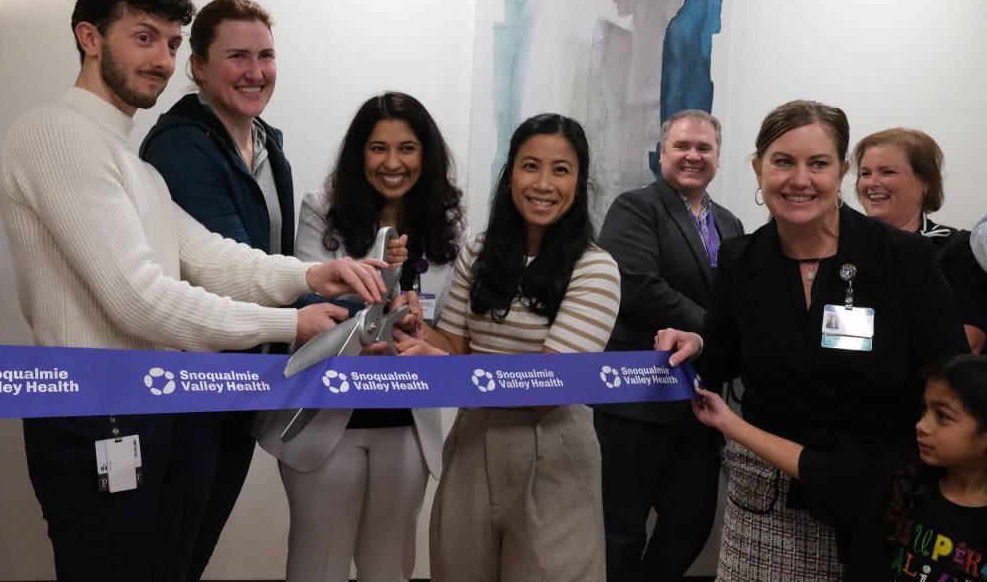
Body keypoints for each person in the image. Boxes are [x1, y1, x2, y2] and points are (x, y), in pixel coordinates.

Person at [0, 0, 393, 581]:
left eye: (172, 42)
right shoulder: (58, 134)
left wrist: (316, 276)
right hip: (97, 416)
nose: (162, 59)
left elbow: (210, 256)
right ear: (90, 38)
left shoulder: (129, 161)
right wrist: (289, 323)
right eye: (144, 37)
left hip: (139, 413)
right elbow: (139, 300)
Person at [657, 100, 969, 581]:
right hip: (769, 498)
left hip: (885, 498)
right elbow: (722, 360)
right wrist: (695, 343)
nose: (800, 180)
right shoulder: (742, 260)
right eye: (783, 161)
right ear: (758, 168)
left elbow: (953, 374)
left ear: (841, 171)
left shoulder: (901, 257)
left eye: (818, 164)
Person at [140, 0, 354, 579]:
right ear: (198, 67)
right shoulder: (180, 147)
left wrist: (359, 307)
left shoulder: (267, 143)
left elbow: (278, 264)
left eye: (265, 55)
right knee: (170, 552)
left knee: (194, 547)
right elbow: (233, 268)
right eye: (237, 56)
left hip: (247, 375)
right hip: (193, 385)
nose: (255, 72)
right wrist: (339, 309)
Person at [395, 113, 622, 582]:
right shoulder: (479, 251)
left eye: (561, 170)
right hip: (472, 439)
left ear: (579, 184)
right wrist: (413, 328)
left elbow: (548, 386)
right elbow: (453, 345)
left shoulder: (596, 267)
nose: (543, 184)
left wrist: (443, 368)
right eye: (530, 166)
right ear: (510, 175)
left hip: (554, 445)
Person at [253, 91, 464, 582]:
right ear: (359, 153)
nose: (393, 163)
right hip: (328, 418)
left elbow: (447, 338)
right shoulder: (321, 210)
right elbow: (307, 305)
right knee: (317, 565)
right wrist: (378, 288)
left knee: (389, 567)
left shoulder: (447, 227)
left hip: (406, 422)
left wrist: (414, 325)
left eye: (407, 148)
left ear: (426, 155)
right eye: (378, 148)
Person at [595, 109, 743, 581]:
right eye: (682, 146)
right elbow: (639, 288)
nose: (692, 155)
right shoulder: (635, 208)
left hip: (699, 404)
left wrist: (728, 333)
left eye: (704, 147)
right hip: (636, 402)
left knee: (691, 523)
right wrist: (717, 330)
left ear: (718, 157)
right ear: (662, 154)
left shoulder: (731, 223)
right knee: (621, 533)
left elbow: (740, 300)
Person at [691, 354, 987, 581]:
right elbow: (810, 466)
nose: (922, 425)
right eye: (924, 411)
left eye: (943, 416)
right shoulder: (900, 487)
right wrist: (726, 420)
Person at [854, 128, 987, 353]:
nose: (872, 183)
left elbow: (966, 348)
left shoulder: (960, 249)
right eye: (865, 173)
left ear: (925, 182)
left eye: (887, 172)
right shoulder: (841, 246)